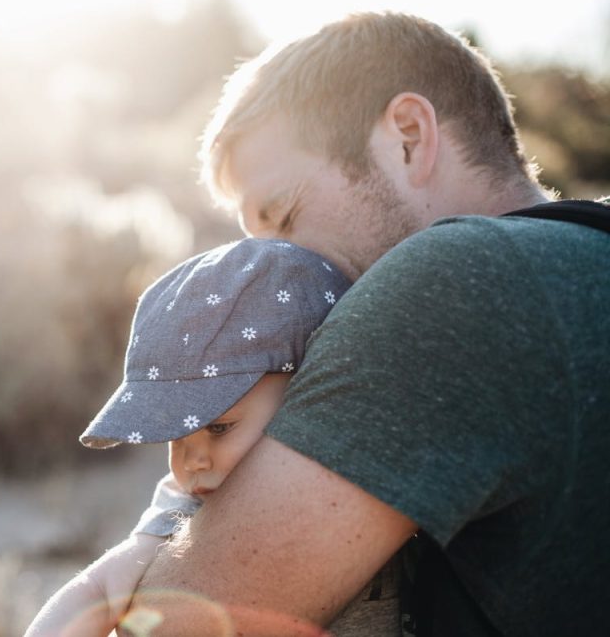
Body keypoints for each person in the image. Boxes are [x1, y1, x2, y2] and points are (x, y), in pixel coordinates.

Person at [121, 12, 610, 635]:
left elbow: (176, 627)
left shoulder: (451, 281)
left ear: (408, 136)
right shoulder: (583, 257)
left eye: (284, 216)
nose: (271, 270)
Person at [25, 238, 405, 637]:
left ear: (308, 391)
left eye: (219, 427)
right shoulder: (188, 507)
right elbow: (98, 587)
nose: (192, 461)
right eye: (175, 437)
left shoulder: (374, 461)